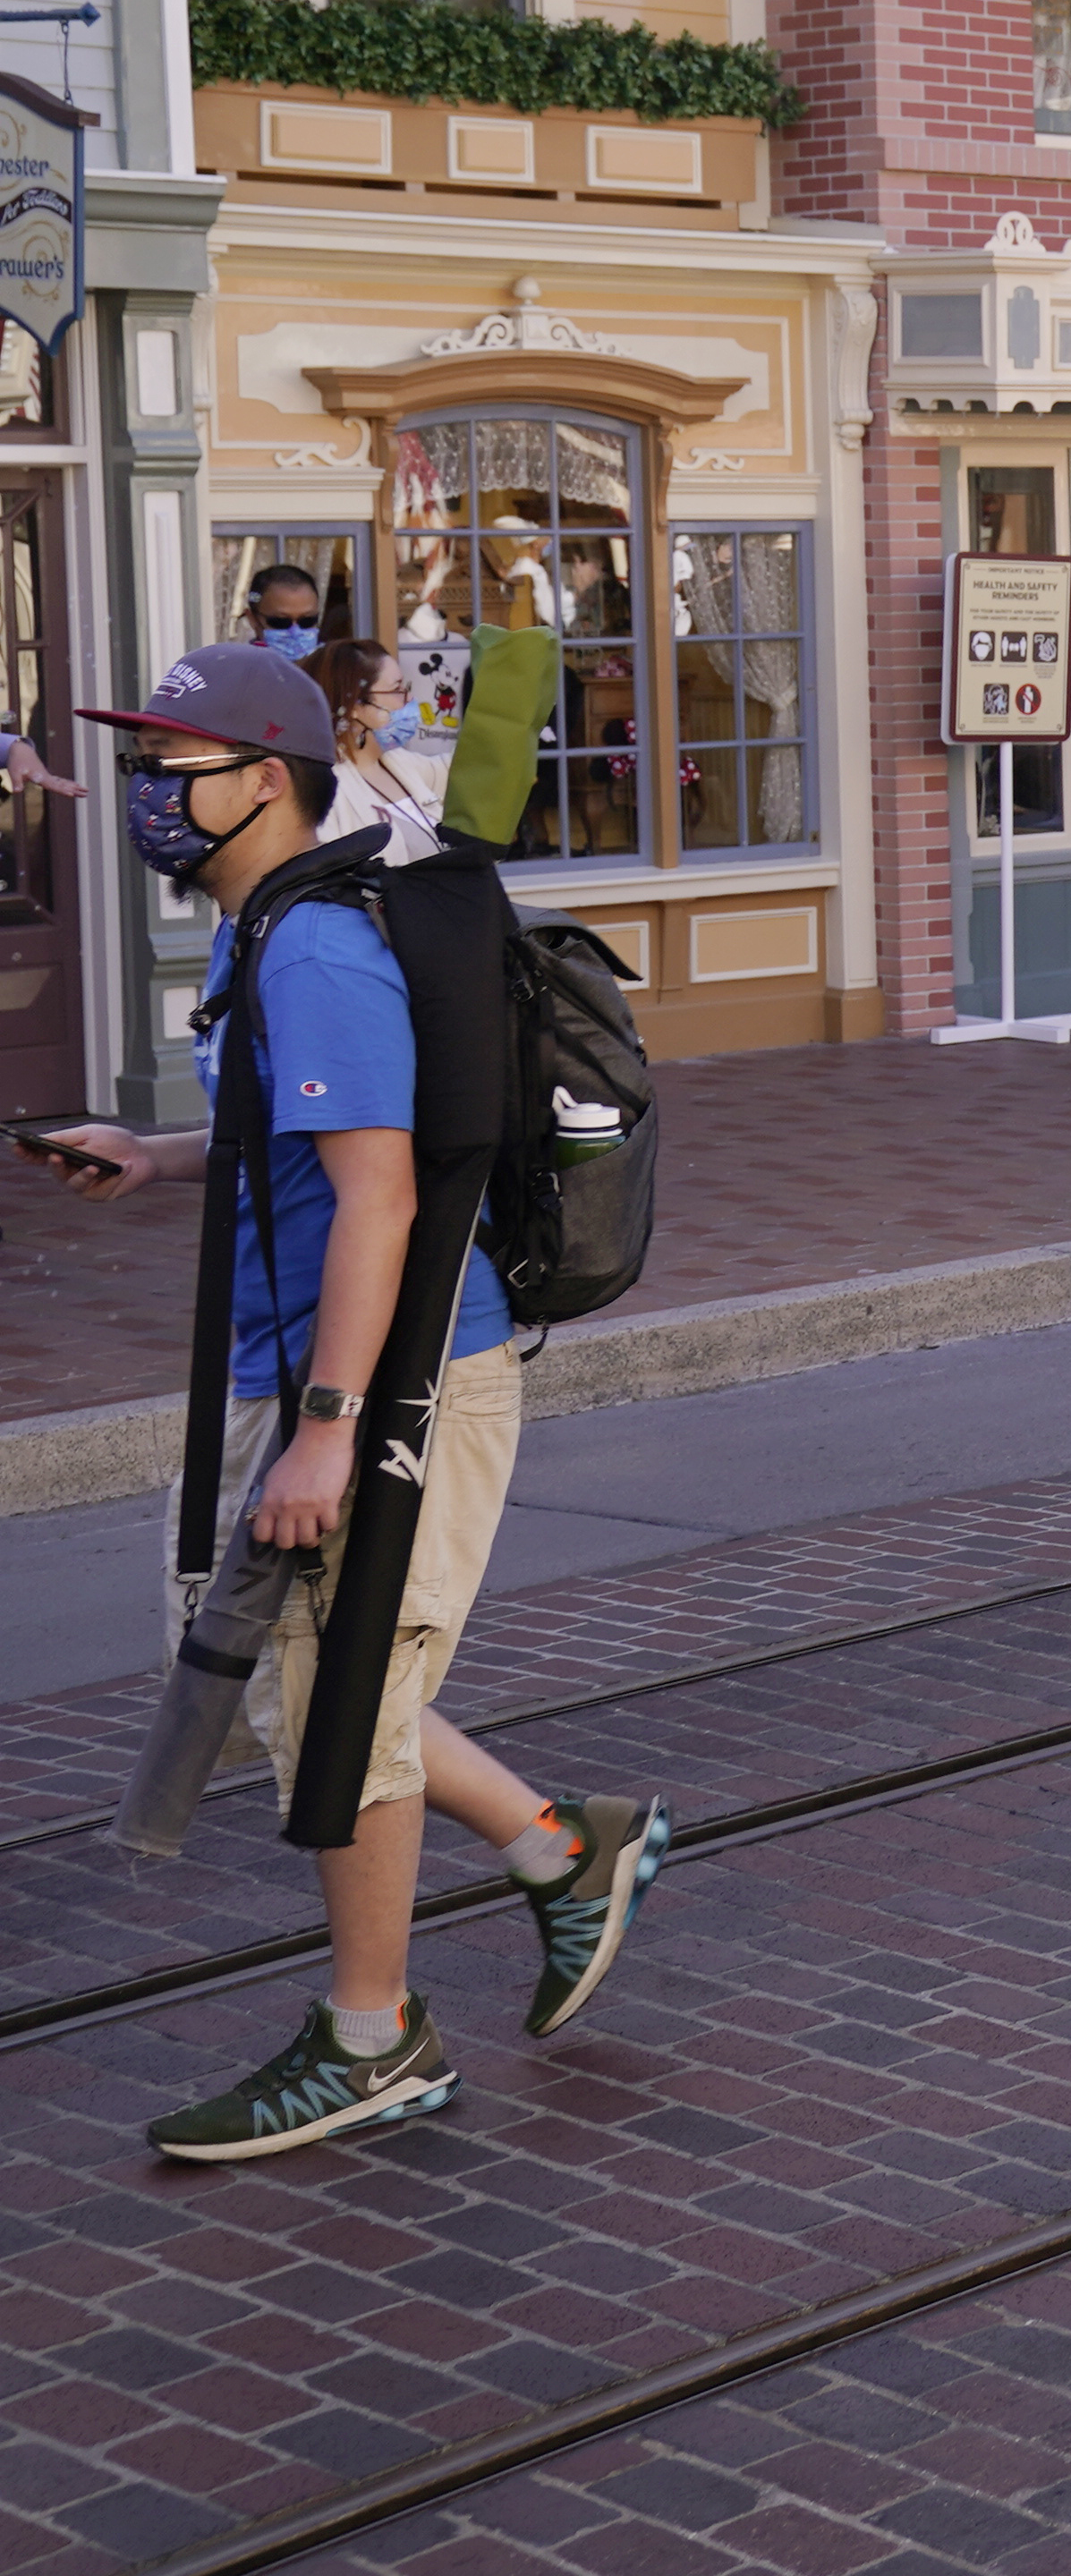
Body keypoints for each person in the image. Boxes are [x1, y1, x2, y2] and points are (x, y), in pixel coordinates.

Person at [52, 644, 671, 2161]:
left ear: (264, 779)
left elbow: (379, 1199)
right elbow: (314, 1142)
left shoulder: (313, 947)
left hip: (391, 1379)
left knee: (335, 1704)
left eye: (169, 765)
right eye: (138, 764)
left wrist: (331, 1427)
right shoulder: (271, 927)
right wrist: (155, 1155)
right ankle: (560, 1848)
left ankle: (374, 2033)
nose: (148, 793)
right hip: (335, 1361)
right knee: (304, 1687)